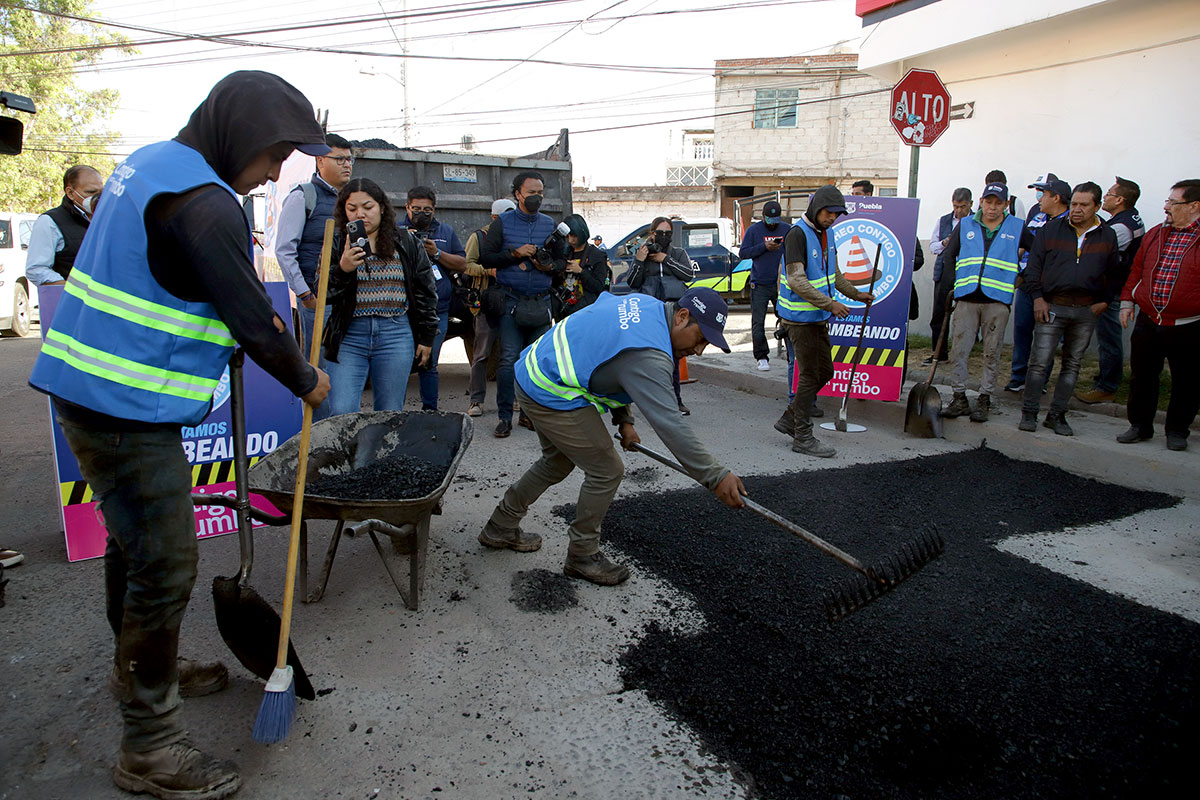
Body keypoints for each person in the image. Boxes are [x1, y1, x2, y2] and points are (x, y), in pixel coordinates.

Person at [27, 71, 332, 800]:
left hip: (93, 389)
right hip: (120, 408)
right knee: (164, 566)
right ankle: (150, 745)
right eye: (274, 155)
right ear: (245, 135)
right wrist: (306, 379)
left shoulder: (154, 162)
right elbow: (255, 320)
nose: (273, 173)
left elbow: (165, 281)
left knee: (134, 551)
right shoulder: (206, 205)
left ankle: (137, 672)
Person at [478, 287, 746, 585]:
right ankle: (582, 554)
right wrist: (715, 476)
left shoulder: (648, 308)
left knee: (557, 462)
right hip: (549, 388)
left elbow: (614, 359)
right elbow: (671, 424)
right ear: (683, 317)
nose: (698, 351)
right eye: (701, 339)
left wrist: (625, 420)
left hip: (533, 369)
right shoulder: (649, 354)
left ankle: (500, 525)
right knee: (606, 470)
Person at [322, 178, 439, 416]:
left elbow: (425, 291)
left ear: (382, 208)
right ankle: (350, 455)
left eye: (368, 207)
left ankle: (378, 455)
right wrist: (343, 268)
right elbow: (322, 293)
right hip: (349, 335)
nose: (360, 214)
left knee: (389, 413)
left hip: (395, 334)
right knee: (342, 411)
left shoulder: (406, 241)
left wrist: (427, 336)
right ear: (343, 211)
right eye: (352, 208)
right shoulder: (335, 242)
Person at [773, 185, 873, 457]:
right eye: (830, 212)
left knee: (825, 372)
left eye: (837, 214)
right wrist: (831, 304)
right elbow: (796, 279)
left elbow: (834, 274)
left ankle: (789, 419)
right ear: (816, 208)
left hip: (816, 318)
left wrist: (857, 294)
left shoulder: (826, 235)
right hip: (799, 320)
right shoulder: (797, 235)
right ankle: (802, 435)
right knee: (809, 376)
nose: (833, 218)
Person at [1017, 182, 1122, 436]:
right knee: (1039, 363)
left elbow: (1115, 272)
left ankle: (1057, 415)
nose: (1077, 209)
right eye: (1074, 203)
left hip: (1086, 310)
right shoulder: (1050, 231)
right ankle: (1029, 413)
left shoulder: (1107, 235)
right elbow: (1034, 268)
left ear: (1097, 207)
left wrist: (1104, 301)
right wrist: (1038, 298)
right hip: (1052, 306)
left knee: (1072, 364)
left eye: (1084, 205)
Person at [1116, 179, 1200, 452]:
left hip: (1188, 326)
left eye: (1172, 203)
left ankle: (1177, 431)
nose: (1166, 207)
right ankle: (1140, 426)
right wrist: (1127, 301)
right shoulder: (1155, 234)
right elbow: (1136, 270)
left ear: (1194, 206)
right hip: (1149, 320)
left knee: (1186, 381)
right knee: (1142, 377)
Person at [480, 170, 565, 437]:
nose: (537, 198)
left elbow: (562, 263)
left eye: (540, 193)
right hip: (511, 303)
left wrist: (547, 264)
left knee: (535, 365)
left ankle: (529, 415)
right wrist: (513, 254)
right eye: (531, 193)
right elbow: (486, 258)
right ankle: (505, 417)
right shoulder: (502, 223)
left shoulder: (550, 224)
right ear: (517, 194)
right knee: (508, 362)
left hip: (540, 304)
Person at [939, 182, 1030, 423]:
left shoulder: (1017, 227)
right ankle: (959, 398)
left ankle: (984, 398)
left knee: (992, 352)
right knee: (959, 350)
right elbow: (949, 256)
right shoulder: (966, 224)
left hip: (997, 301)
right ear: (980, 201)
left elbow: (1038, 255)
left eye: (998, 203)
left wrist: (1022, 277)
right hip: (967, 298)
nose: (992, 207)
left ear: (1006, 205)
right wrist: (952, 288)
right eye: (988, 202)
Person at [274, 132, 354, 386]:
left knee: (347, 371)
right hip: (320, 302)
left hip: (351, 299)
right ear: (320, 161)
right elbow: (284, 250)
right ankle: (322, 426)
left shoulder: (353, 200)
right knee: (321, 372)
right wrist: (306, 294)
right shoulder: (304, 196)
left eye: (350, 160)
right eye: (339, 159)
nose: (347, 165)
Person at [1076, 176, 1146, 404]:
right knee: (1108, 337)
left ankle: (1107, 386)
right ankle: (1105, 380)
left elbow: (1099, 255)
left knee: (1108, 338)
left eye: (1108, 194)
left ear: (1120, 200)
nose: (1104, 197)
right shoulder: (1129, 219)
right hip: (1117, 287)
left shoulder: (1120, 227)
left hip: (1114, 290)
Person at [398, 186, 467, 411]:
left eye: (427, 209)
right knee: (397, 365)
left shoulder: (445, 232)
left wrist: (437, 253)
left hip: (439, 310)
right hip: (402, 311)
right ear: (407, 208)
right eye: (416, 208)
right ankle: (393, 412)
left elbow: (462, 263)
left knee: (429, 363)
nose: (421, 213)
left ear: (434, 210)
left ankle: (430, 412)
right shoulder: (394, 232)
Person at [1006, 178, 1070, 392]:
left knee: (1045, 336)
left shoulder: (1068, 223)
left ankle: (1039, 382)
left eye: (1043, 193)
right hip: (1026, 283)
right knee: (1022, 330)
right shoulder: (1037, 215)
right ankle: (1018, 377)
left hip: (1049, 290)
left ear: (1056, 197)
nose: (1039, 198)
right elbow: (1025, 245)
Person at [628, 216, 696, 414]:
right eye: (660, 233)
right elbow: (633, 282)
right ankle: (648, 400)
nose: (664, 237)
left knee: (672, 358)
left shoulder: (677, 253)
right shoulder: (643, 253)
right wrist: (640, 260)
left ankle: (675, 400)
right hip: (650, 313)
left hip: (673, 314)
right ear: (652, 234)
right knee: (647, 357)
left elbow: (688, 274)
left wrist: (666, 259)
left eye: (668, 233)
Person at [463, 198, 515, 417]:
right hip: (486, 304)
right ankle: (476, 401)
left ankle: (511, 400)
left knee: (511, 356)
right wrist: (489, 271)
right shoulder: (479, 237)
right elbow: (466, 265)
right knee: (482, 354)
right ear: (494, 217)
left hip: (511, 303)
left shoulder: (515, 237)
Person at [25, 165, 104, 286]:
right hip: (73, 301)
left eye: (101, 192)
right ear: (70, 193)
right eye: (90, 192)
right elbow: (36, 269)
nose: (97, 198)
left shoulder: (105, 219)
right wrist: (67, 290)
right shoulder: (49, 222)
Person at [740, 200, 791, 372]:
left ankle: (791, 354)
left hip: (781, 284)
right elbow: (743, 253)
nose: (773, 223)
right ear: (763, 217)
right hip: (759, 283)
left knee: (787, 320)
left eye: (776, 219)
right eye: (770, 220)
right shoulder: (754, 231)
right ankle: (761, 356)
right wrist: (764, 247)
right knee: (758, 322)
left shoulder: (787, 229)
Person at [926, 187, 973, 364]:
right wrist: (946, 242)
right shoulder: (943, 221)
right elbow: (932, 247)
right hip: (945, 270)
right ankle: (938, 352)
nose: (959, 211)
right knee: (939, 313)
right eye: (955, 206)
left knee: (966, 316)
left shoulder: (978, 221)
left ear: (971, 204)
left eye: (963, 206)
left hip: (968, 272)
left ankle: (962, 354)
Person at [554, 213, 609, 318]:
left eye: (574, 236)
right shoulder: (563, 254)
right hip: (563, 311)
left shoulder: (597, 256)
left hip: (587, 312)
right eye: (567, 236)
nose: (570, 240)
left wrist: (581, 271)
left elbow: (600, 288)